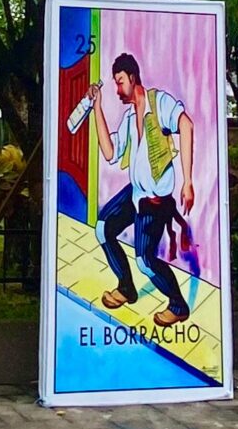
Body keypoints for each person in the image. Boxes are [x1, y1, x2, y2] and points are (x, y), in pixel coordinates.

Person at [80, 52, 196, 327]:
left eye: (120, 82)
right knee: (103, 228)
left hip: (155, 201)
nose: (118, 89)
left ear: (132, 78)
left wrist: (188, 181)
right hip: (136, 193)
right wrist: (96, 108)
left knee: (145, 261)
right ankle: (126, 288)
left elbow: (186, 125)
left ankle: (178, 306)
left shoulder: (159, 103)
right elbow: (110, 152)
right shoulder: (130, 117)